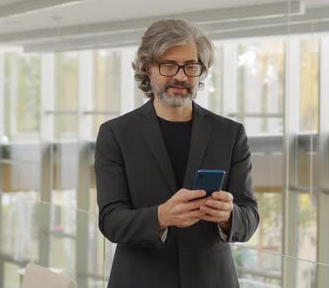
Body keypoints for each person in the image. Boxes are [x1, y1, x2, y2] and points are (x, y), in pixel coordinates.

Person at [95, 19, 259, 288]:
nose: (180, 76)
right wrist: (161, 216)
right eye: (168, 65)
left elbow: (250, 218)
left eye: (190, 66)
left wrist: (228, 216)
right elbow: (110, 221)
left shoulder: (230, 134)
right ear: (147, 68)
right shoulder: (116, 134)